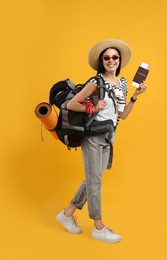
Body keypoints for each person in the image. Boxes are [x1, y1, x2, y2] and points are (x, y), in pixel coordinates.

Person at [56, 39, 147, 243]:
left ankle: (67, 214)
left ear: (120, 60)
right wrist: (93, 108)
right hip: (94, 136)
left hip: (109, 136)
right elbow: (71, 104)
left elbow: (122, 115)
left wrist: (135, 96)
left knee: (93, 178)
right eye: (107, 57)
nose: (111, 60)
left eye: (115, 57)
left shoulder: (122, 83)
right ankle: (99, 226)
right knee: (95, 180)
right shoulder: (95, 82)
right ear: (101, 61)